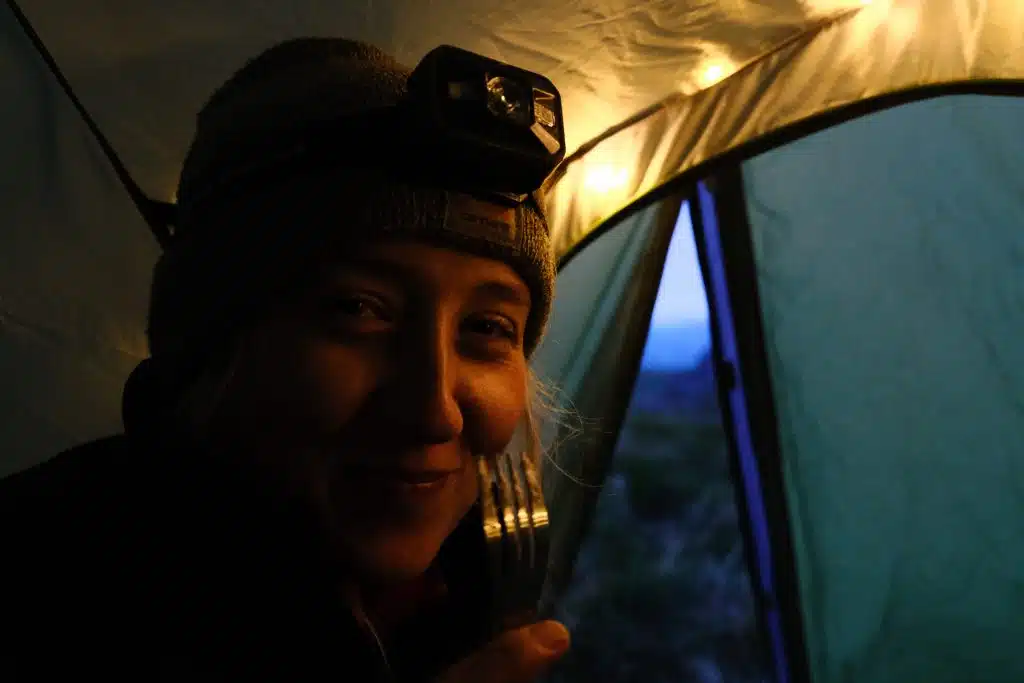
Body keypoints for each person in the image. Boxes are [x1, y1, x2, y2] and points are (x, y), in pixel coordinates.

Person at [0, 38, 570, 682]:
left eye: (488, 327)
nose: (432, 411)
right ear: (213, 336)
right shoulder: (35, 593)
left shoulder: (468, 588)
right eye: (358, 309)